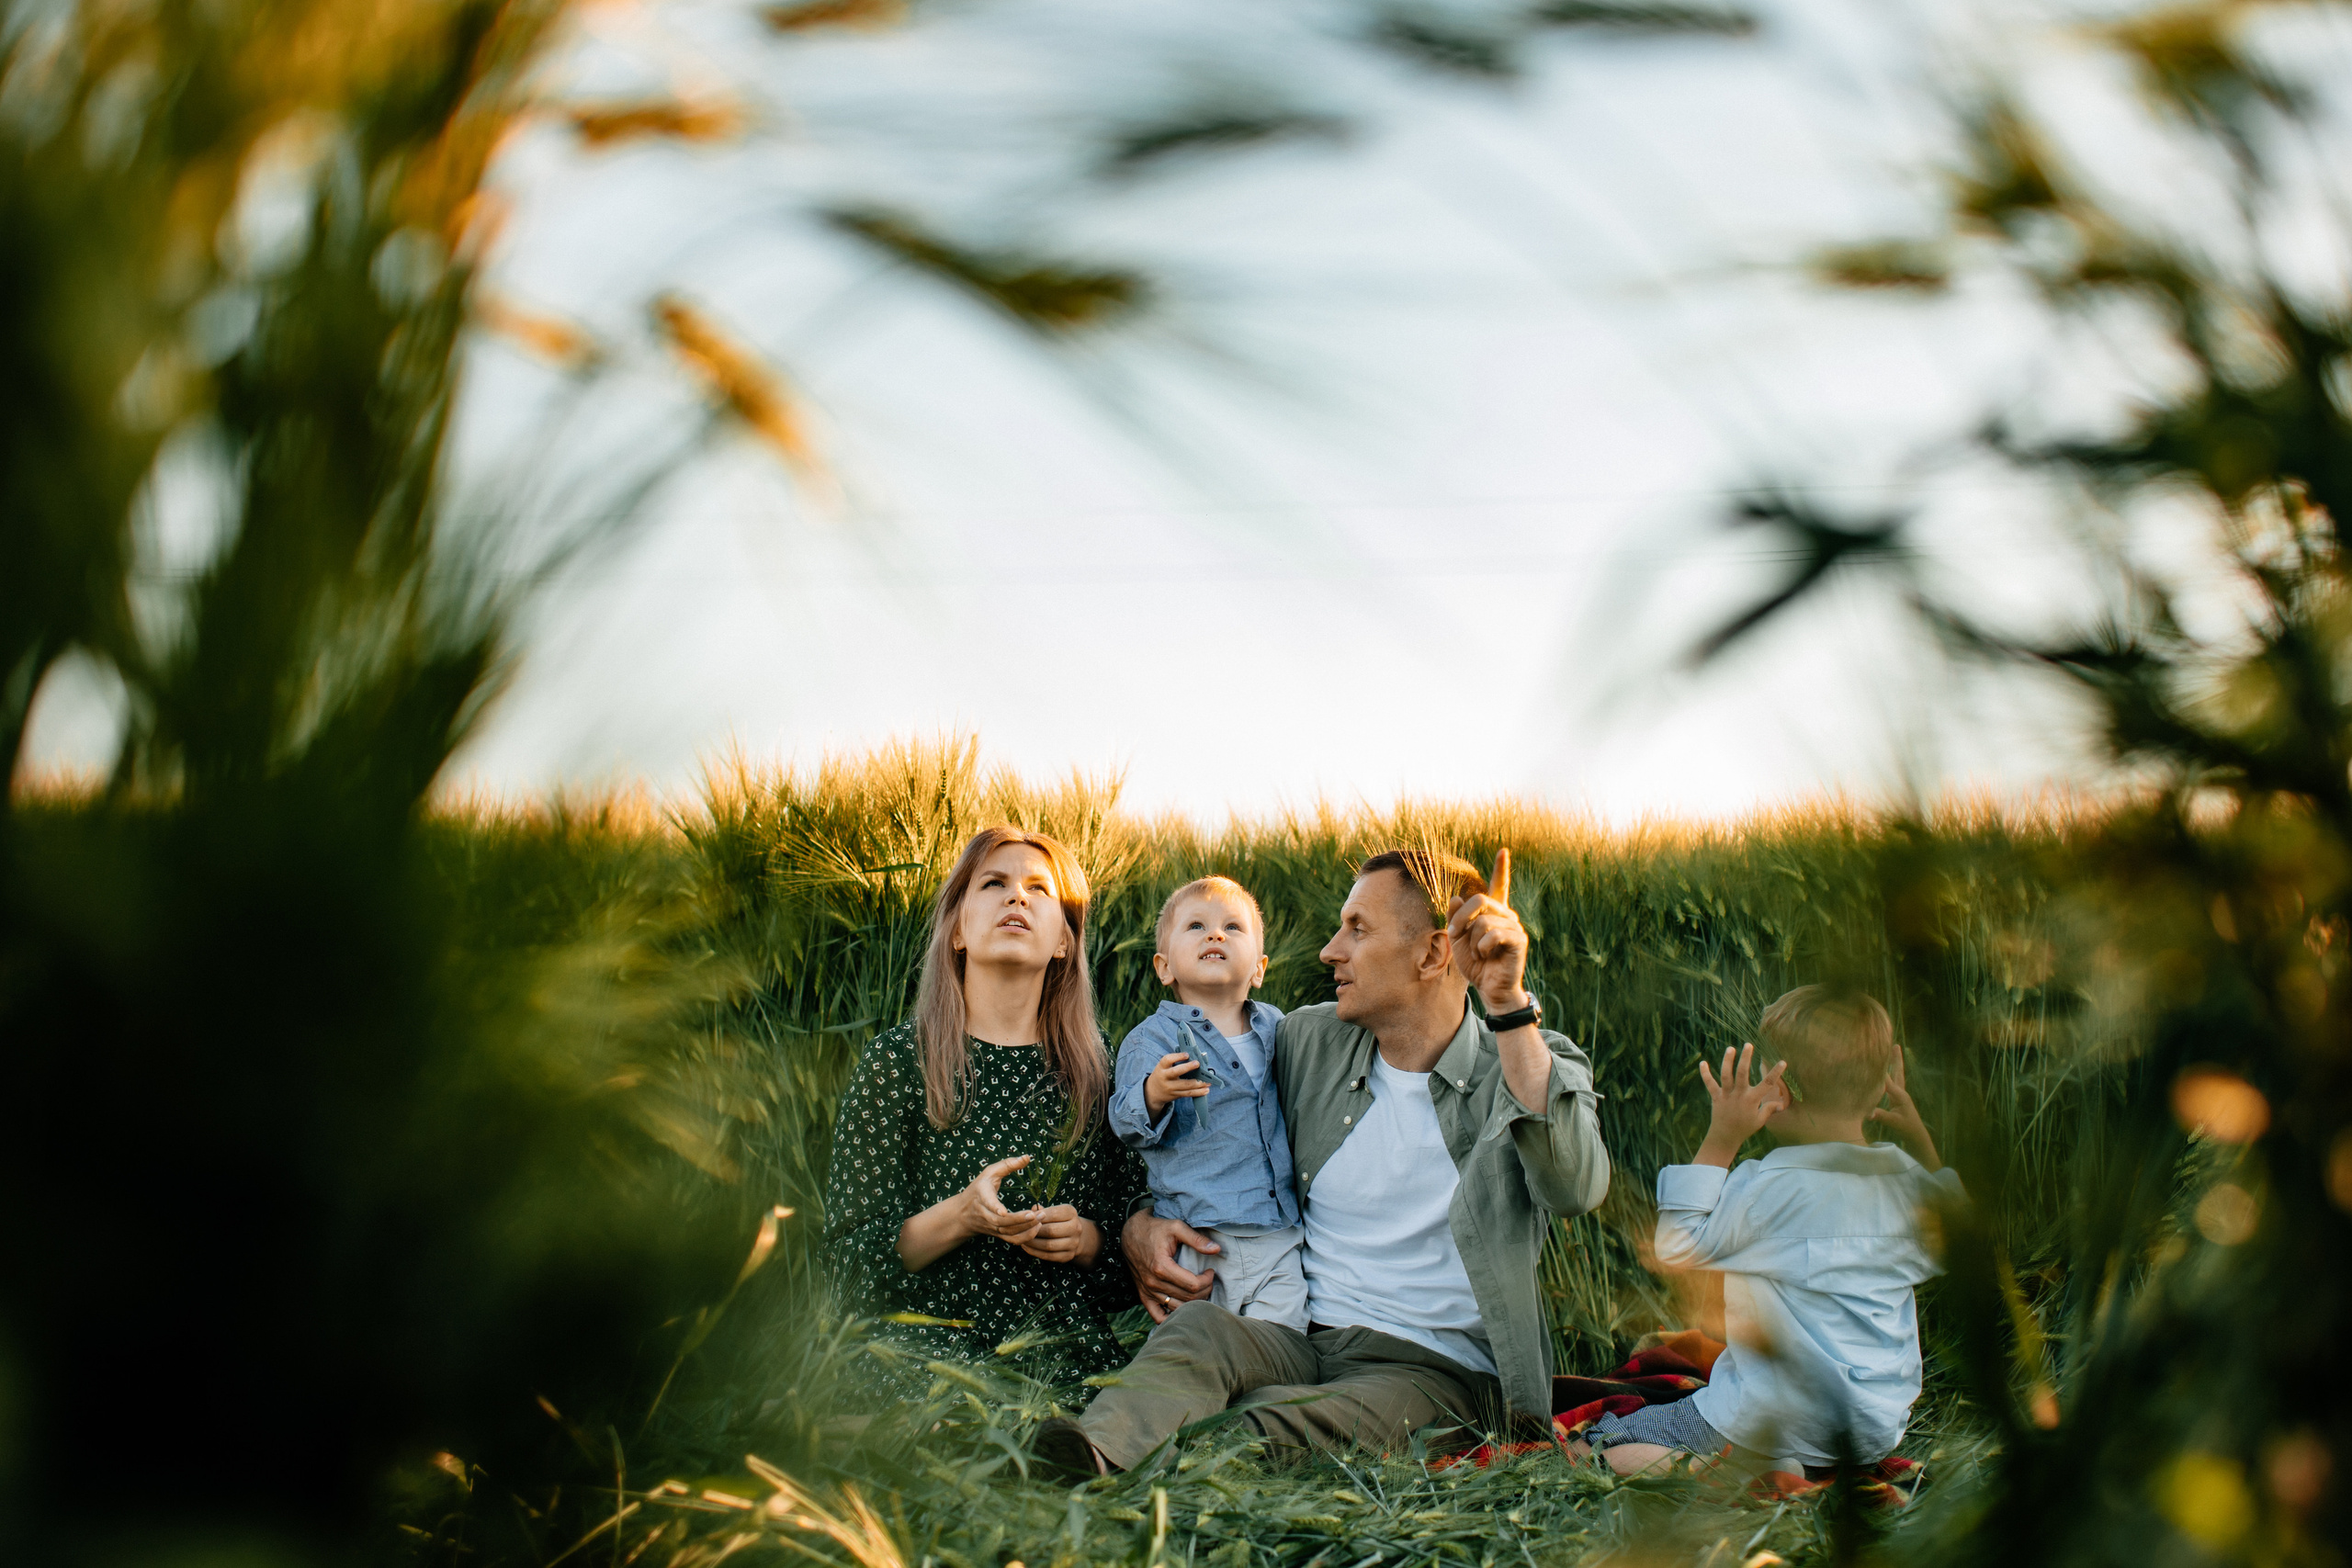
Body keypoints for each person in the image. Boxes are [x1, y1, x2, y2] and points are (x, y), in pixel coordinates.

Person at [1037, 848, 1610, 1475]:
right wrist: (1138, 1222)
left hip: (1432, 1370)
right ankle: (1086, 1460)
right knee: (1198, 1333)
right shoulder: (1308, 1041)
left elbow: (1574, 1185)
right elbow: (1214, 1133)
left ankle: (1142, 1470)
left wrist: (1506, 1001)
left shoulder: (1525, 1060)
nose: (1329, 950)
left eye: (1357, 929)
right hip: (1301, 1334)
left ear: (1433, 952)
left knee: (1260, 1420)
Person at [1573, 986, 1962, 1478]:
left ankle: (1742, 1476)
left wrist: (1723, 1136)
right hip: (1870, 1431)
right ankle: (1787, 1468)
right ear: (1883, 1086)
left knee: (1595, 1445)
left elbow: (1676, 1244)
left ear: (1781, 1092)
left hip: (1765, 1422)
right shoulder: (1909, 1186)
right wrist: (1920, 1138)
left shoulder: (1769, 1189)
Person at [823, 828, 1147, 1390]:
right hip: (919, 1354)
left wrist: (1085, 1241)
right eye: (993, 883)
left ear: (1065, 942)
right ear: (956, 931)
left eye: (1039, 889)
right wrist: (962, 1216)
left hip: (1063, 1359)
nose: (1017, 897)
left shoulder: (1101, 1072)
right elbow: (844, 1270)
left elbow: (1129, 1262)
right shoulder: (899, 1061)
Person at [1107, 876, 1303, 1329]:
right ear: (1164, 967)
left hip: (1278, 1235)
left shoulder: (1278, 1028)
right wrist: (1153, 1094)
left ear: (1259, 968)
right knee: (1193, 1353)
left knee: (1279, 1347)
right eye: (1196, 926)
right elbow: (1125, 1124)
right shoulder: (1151, 1041)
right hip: (1196, 1239)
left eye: (1233, 928)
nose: (1216, 934)